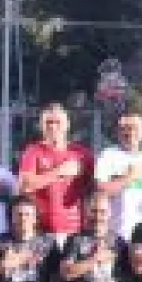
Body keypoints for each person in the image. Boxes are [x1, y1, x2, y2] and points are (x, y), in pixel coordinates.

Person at [17, 103, 94, 245]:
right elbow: (24, 186)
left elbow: (93, 190)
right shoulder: (33, 151)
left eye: (57, 122)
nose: (53, 127)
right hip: (42, 231)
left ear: (67, 125)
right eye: (48, 122)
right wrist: (60, 172)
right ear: (41, 126)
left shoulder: (82, 154)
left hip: (75, 231)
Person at [95, 109, 142, 240]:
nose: (130, 132)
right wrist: (129, 178)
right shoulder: (108, 155)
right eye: (124, 128)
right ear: (118, 132)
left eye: (134, 127)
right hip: (116, 233)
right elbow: (101, 191)